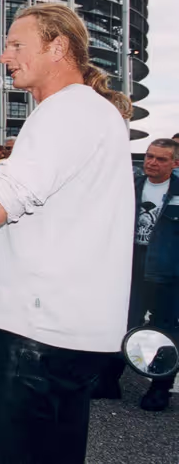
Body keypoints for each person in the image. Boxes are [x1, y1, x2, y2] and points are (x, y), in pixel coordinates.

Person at [0, 3, 134, 463]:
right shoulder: (91, 113)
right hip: (63, 332)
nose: (4, 57)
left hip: (30, 336)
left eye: (16, 44)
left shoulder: (65, 112)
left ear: (58, 47)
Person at [95, 138, 179, 411]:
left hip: (166, 270)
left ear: (175, 163)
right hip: (131, 264)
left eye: (161, 159)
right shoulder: (132, 187)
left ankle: (160, 388)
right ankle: (109, 381)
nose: (152, 162)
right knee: (122, 322)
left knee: (165, 329)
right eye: (150, 156)